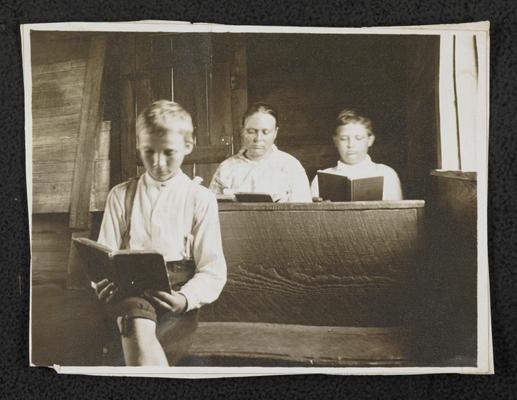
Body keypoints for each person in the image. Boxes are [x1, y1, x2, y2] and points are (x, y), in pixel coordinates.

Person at [93, 100, 227, 366]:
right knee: (137, 325)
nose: (157, 162)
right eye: (148, 151)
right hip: (129, 291)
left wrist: (185, 299)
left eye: (169, 152)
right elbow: (102, 255)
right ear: (138, 146)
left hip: (175, 295)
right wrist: (101, 283)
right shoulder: (121, 195)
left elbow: (212, 268)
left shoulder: (199, 198)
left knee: (154, 350)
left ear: (188, 147)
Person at [209, 102, 312, 202]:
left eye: (265, 132)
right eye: (251, 131)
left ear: (275, 133)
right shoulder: (226, 168)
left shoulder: (291, 166)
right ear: (243, 131)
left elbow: (303, 213)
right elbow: (211, 209)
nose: (258, 138)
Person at [311, 109, 403, 200]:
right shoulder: (322, 178)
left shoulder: (386, 174)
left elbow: (399, 213)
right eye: (343, 138)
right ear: (335, 141)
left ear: (370, 140)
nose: (351, 145)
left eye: (358, 138)